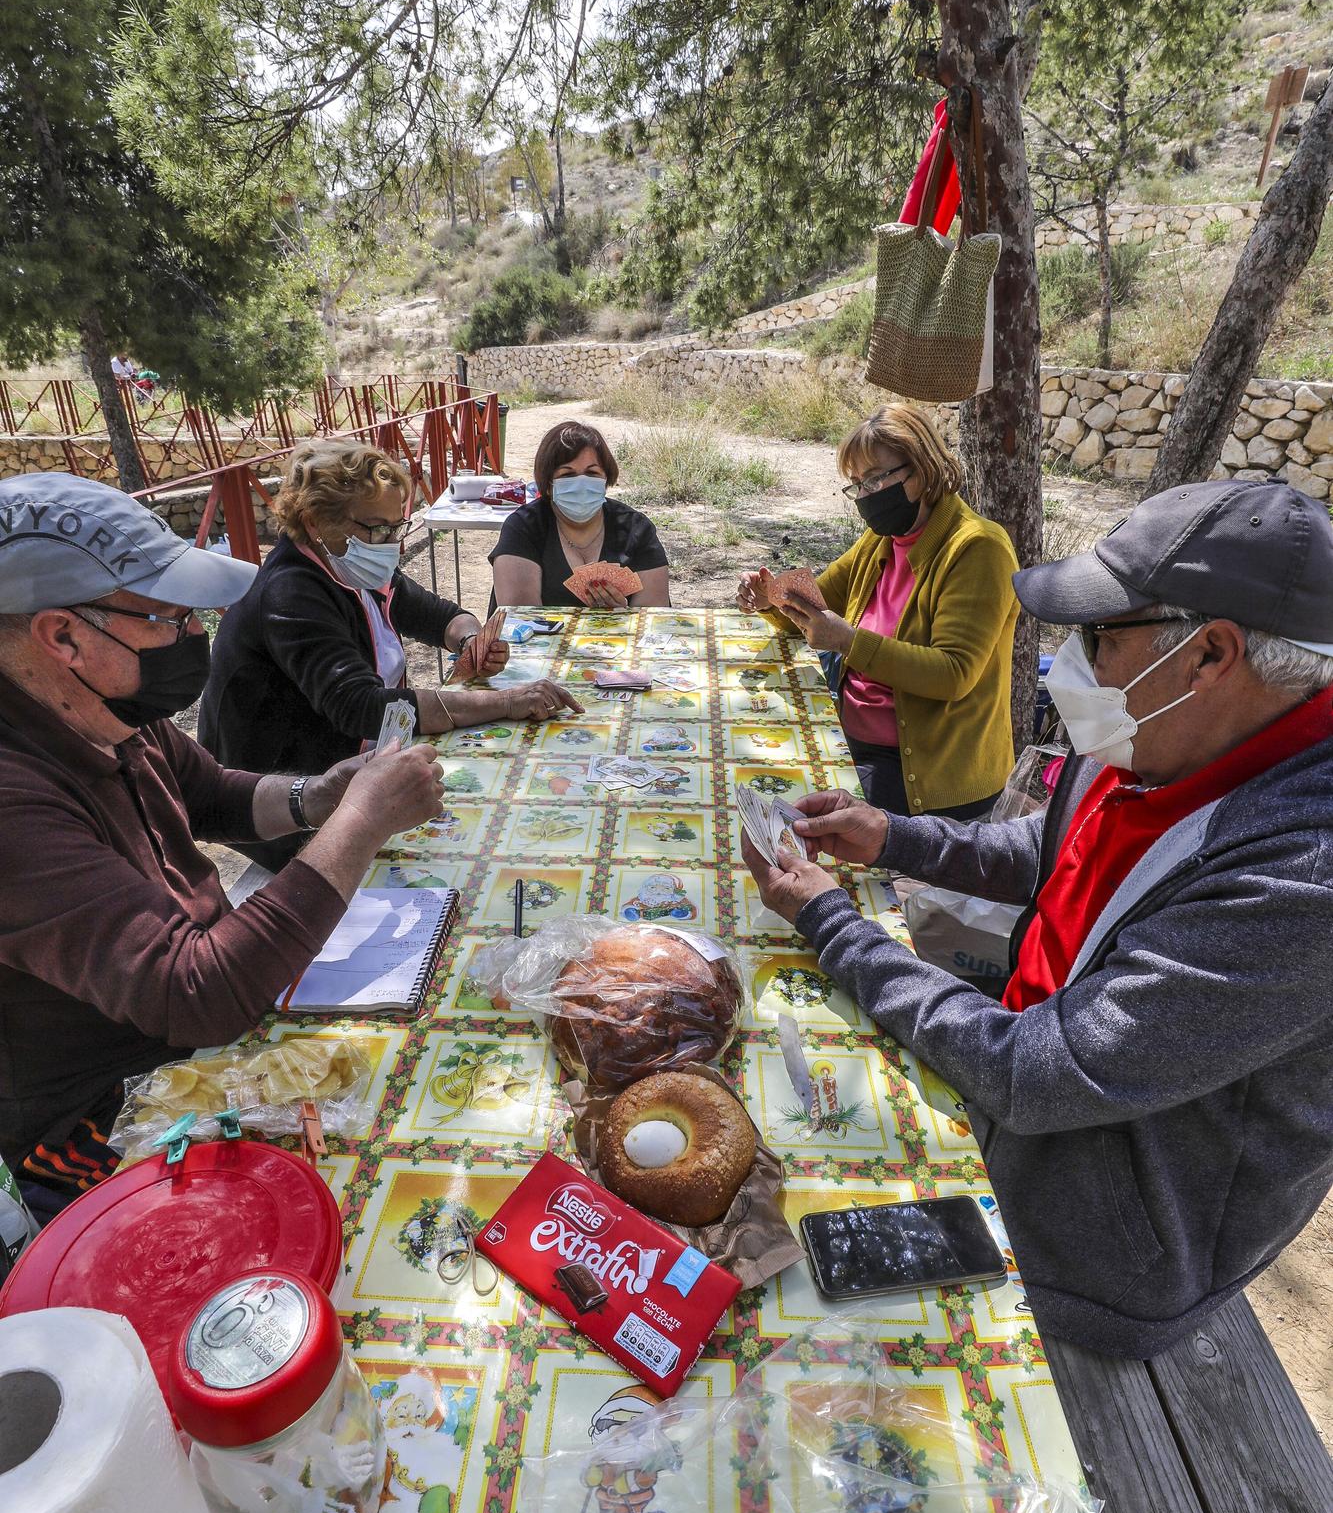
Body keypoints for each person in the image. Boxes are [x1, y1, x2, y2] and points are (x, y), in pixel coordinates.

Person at [741, 479, 1333, 1358]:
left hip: (1095, 1248)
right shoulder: (1163, 730)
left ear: (1210, 654)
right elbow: (1051, 851)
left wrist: (833, 923)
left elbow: (1042, 1072)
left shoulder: (1301, 880)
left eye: (1100, 637)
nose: (1073, 664)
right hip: (1018, 1089)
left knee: (793, 1312)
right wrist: (890, 836)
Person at [0, 473, 447, 1222]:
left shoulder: (102, 708)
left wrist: (318, 797)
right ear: (64, 635)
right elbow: (195, 995)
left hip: (204, 1033)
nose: (191, 638)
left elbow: (212, 794)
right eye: (169, 619)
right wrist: (358, 827)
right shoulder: (14, 797)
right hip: (102, 1110)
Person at [200, 440, 581, 867]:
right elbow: (362, 706)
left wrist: (471, 639)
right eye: (378, 530)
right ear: (315, 522)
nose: (392, 545)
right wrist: (503, 701)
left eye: (397, 528)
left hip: (347, 770)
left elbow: (438, 615)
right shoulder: (292, 593)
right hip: (284, 806)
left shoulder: (347, 562)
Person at [737, 405, 1018, 819]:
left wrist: (848, 642)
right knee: (746, 770)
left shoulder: (978, 548)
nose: (866, 497)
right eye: (856, 485)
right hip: (856, 740)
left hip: (923, 772)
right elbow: (817, 606)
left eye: (875, 480)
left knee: (786, 816)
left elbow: (953, 673)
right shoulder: (882, 539)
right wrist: (771, 601)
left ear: (920, 471)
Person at [489, 420, 671, 611]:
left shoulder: (636, 528)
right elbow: (521, 619)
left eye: (592, 473)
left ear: (606, 479)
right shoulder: (524, 527)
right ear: (549, 484)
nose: (581, 483)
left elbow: (653, 619)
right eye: (567, 475)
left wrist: (621, 618)